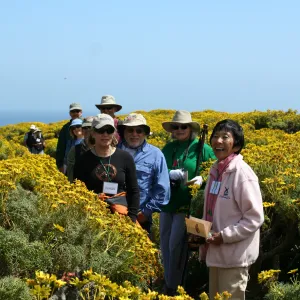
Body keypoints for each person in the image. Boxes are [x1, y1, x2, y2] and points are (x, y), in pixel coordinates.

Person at [202, 119, 264, 300]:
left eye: (225, 137)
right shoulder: (216, 170)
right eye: (215, 136)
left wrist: (224, 236)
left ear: (236, 145)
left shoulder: (242, 173)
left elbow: (254, 218)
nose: (218, 141)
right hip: (216, 253)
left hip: (235, 256)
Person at [160, 110, 216, 296]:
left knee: (177, 246)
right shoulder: (169, 148)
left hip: (189, 206)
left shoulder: (202, 148)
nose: (179, 129)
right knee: (165, 246)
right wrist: (169, 173)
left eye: (184, 126)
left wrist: (203, 178)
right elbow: (158, 169)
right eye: (176, 127)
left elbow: (215, 171)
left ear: (190, 128)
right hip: (168, 204)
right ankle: (168, 282)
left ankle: (175, 287)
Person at [74, 114, 140, 222]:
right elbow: (77, 191)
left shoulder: (125, 157)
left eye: (109, 130)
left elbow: (134, 190)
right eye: (101, 130)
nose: (105, 134)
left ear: (113, 133)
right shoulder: (83, 160)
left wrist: (132, 218)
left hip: (121, 216)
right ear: (93, 133)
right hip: (92, 217)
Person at [117, 113, 170, 234]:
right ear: (124, 132)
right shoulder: (113, 151)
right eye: (130, 130)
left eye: (139, 131)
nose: (134, 134)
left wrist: (145, 213)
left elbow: (163, 189)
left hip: (140, 217)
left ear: (145, 133)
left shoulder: (156, 154)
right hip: (113, 213)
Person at [56, 103, 83, 173]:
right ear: (70, 113)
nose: (75, 113)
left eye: (77, 111)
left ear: (81, 112)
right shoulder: (65, 128)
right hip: (68, 164)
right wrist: (60, 165)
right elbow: (60, 147)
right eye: (73, 111)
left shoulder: (87, 124)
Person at [67, 117, 94, 182]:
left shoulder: (103, 148)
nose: (87, 130)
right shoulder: (75, 150)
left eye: (90, 127)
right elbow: (70, 172)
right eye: (84, 128)